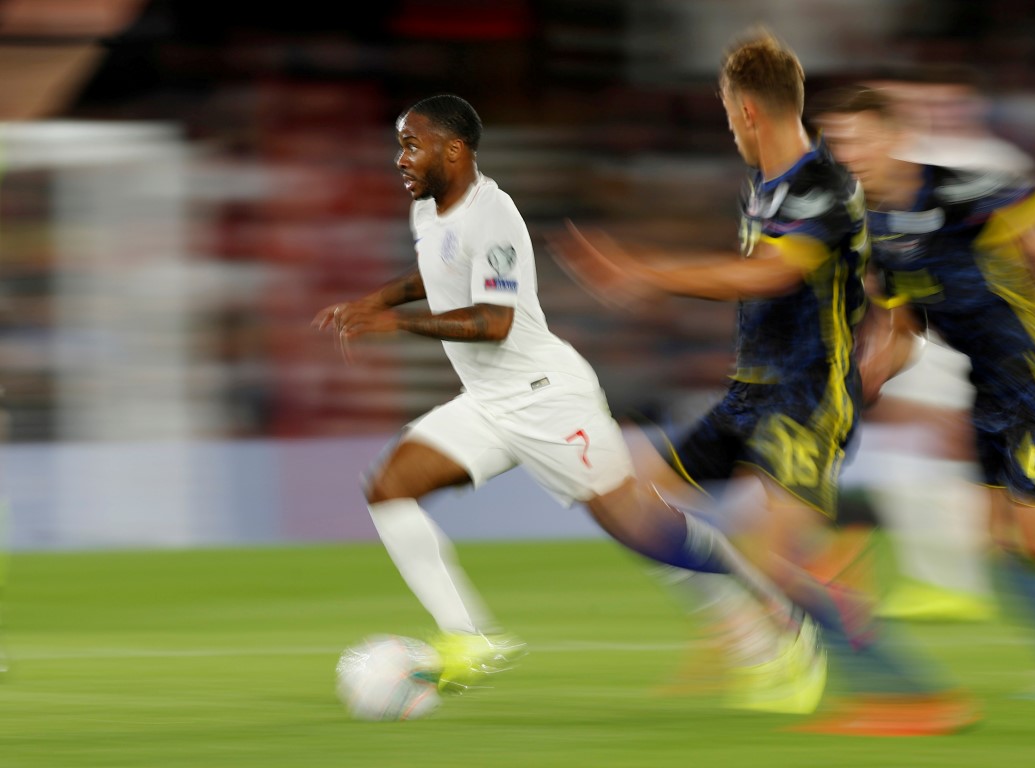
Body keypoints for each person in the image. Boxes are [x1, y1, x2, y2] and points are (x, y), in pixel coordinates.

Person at [313, 94, 824, 707]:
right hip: (488, 400)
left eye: (411, 144)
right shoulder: (428, 211)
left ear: (454, 150)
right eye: (400, 143)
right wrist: (380, 301)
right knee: (389, 489)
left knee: (636, 525)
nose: (401, 157)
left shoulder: (493, 213)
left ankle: (772, 612)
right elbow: (438, 270)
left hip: (546, 399)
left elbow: (493, 322)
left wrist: (399, 327)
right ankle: (468, 638)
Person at [552, 32, 977, 735]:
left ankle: (912, 693)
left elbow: (770, 274)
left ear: (747, 111)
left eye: (727, 115)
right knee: (616, 494)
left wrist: (644, 271)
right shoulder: (766, 187)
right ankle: (756, 622)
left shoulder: (824, 187)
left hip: (805, 402)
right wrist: (892, 333)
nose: (729, 129)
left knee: (778, 562)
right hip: (749, 394)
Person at [818, 85, 1035, 700]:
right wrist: (871, 374)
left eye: (857, 137)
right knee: (997, 547)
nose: (845, 151)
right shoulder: (870, 227)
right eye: (836, 140)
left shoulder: (962, 190)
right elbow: (902, 325)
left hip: (1029, 374)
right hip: (982, 381)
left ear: (894, 137)